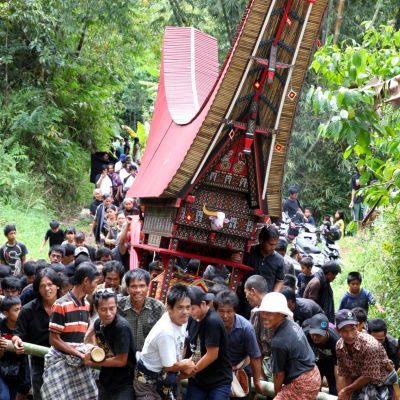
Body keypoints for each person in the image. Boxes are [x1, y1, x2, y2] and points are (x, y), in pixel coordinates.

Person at [40, 262, 100, 400]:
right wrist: (79, 354)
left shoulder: (86, 305)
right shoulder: (61, 305)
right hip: (61, 361)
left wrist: (91, 348)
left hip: (78, 362)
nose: (96, 286)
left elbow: (85, 334)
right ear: (86, 281)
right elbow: (54, 339)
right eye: (95, 282)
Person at [134, 284, 195, 399]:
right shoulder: (166, 331)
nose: (185, 312)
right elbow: (169, 366)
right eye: (180, 307)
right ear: (169, 308)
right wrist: (186, 364)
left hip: (166, 378)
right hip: (147, 383)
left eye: (188, 307)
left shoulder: (182, 319)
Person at [256, 292, 321, 399]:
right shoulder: (292, 324)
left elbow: (279, 375)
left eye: (270, 313)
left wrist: (278, 396)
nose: (264, 316)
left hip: (304, 384)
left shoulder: (278, 341)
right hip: (314, 374)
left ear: (281, 314)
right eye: (263, 312)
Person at [12, 268, 61, 400]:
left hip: (64, 360)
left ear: (57, 285)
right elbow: (17, 334)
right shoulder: (28, 310)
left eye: (50, 284)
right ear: (37, 289)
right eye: (42, 286)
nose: (47, 289)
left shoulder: (68, 306)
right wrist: (16, 341)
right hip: (39, 361)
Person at [84, 289, 136, 400]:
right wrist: (92, 348)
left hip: (124, 382)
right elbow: (93, 341)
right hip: (106, 379)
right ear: (96, 308)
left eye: (112, 308)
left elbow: (121, 361)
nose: (108, 313)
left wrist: (93, 362)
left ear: (116, 307)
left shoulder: (121, 327)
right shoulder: (98, 323)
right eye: (103, 309)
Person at [214, 290, 263, 396]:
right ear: (216, 311)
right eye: (221, 311)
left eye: (229, 311)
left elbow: (255, 356)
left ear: (235, 311)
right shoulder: (211, 324)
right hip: (217, 370)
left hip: (240, 368)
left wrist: (257, 382)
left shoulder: (246, 328)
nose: (225, 316)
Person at [186, 286, 232, 399]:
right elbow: (191, 347)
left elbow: (212, 354)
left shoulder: (212, 321)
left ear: (203, 304)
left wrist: (190, 371)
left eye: (192, 308)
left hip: (218, 381)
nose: (189, 312)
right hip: (197, 379)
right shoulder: (192, 318)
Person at [335, 309, 392, 400]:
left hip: (378, 384)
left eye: (353, 329)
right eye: (345, 331)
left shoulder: (370, 345)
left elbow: (368, 376)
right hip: (356, 382)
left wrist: (347, 391)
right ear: (337, 330)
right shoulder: (339, 345)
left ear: (357, 326)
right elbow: (344, 374)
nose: (350, 335)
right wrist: (344, 394)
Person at [118, 269, 165, 351]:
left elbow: (163, 334)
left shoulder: (158, 307)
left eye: (142, 286)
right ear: (127, 289)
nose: (138, 290)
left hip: (149, 355)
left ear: (147, 287)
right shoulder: (118, 306)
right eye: (133, 286)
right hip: (124, 354)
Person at [0, 296, 30, 400]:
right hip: (3, 367)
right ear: (6, 313)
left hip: (21, 367)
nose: (20, 312)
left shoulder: (26, 325)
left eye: (21, 308)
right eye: (16, 310)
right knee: (4, 397)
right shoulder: (1, 326)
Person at [305, 313, 340, 395]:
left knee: (334, 391)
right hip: (314, 363)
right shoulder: (305, 335)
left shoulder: (336, 341)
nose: (315, 337)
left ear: (326, 331)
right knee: (313, 389)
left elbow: (338, 367)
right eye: (313, 334)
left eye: (318, 334)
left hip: (331, 364)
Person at [244, 225, 284, 294]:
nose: (273, 247)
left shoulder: (279, 260)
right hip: (246, 294)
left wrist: (274, 295)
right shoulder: (249, 252)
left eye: (275, 244)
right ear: (261, 240)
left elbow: (280, 281)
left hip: (265, 297)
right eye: (270, 244)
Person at [349, 166, 367, 234]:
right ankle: (359, 234)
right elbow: (353, 189)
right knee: (357, 218)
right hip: (357, 199)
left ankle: (364, 233)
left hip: (366, 199)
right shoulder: (354, 177)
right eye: (359, 165)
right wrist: (352, 201)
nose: (360, 166)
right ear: (357, 167)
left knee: (365, 215)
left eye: (362, 165)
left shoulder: (367, 175)